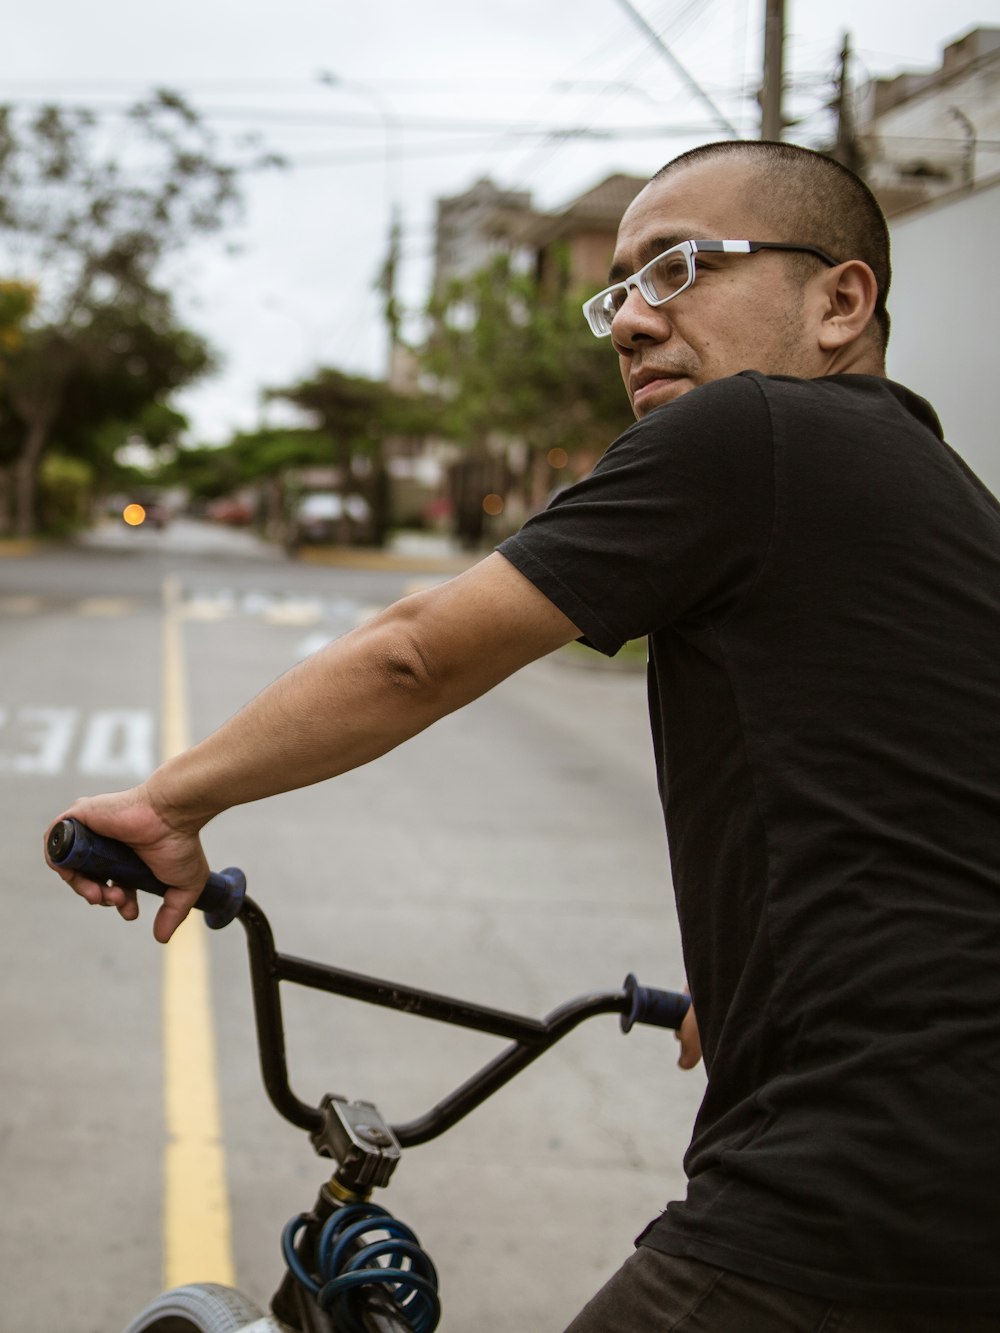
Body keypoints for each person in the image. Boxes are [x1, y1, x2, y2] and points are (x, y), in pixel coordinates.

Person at [47, 141, 1000, 1331]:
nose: (631, 322)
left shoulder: (753, 435)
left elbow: (416, 649)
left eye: (682, 268)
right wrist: (754, 964)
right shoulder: (943, 500)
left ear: (839, 300)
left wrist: (171, 802)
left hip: (862, 1178)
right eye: (619, 291)